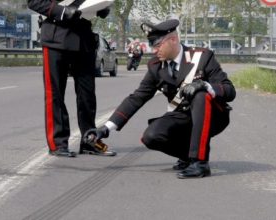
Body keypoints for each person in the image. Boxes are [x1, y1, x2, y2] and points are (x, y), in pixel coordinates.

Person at [84, 19, 236, 178]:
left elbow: (229, 90)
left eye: (158, 45)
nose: (154, 50)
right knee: (151, 136)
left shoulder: (202, 57)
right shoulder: (156, 66)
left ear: (173, 40)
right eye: (152, 46)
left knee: (200, 95)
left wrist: (205, 85)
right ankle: (188, 156)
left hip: (212, 117)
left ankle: (199, 162)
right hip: (183, 117)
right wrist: (105, 128)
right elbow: (137, 97)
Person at [27, 0, 116, 157]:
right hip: (56, 38)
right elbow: (34, 2)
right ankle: (58, 143)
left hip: (84, 40)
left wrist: (102, 9)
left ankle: (89, 140)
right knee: (55, 94)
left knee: (87, 95)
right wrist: (62, 11)